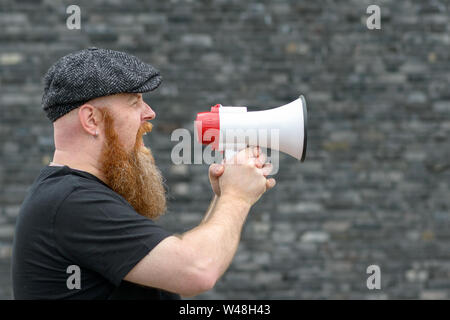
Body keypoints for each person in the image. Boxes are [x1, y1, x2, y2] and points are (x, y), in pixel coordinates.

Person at [11, 48, 276, 299]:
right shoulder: (72, 203)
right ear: (91, 120)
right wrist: (236, 197)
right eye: (134, 102)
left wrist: (222, 197)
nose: (149, 113)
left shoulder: (71, 197)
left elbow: (173, 270)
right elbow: (197, 271)